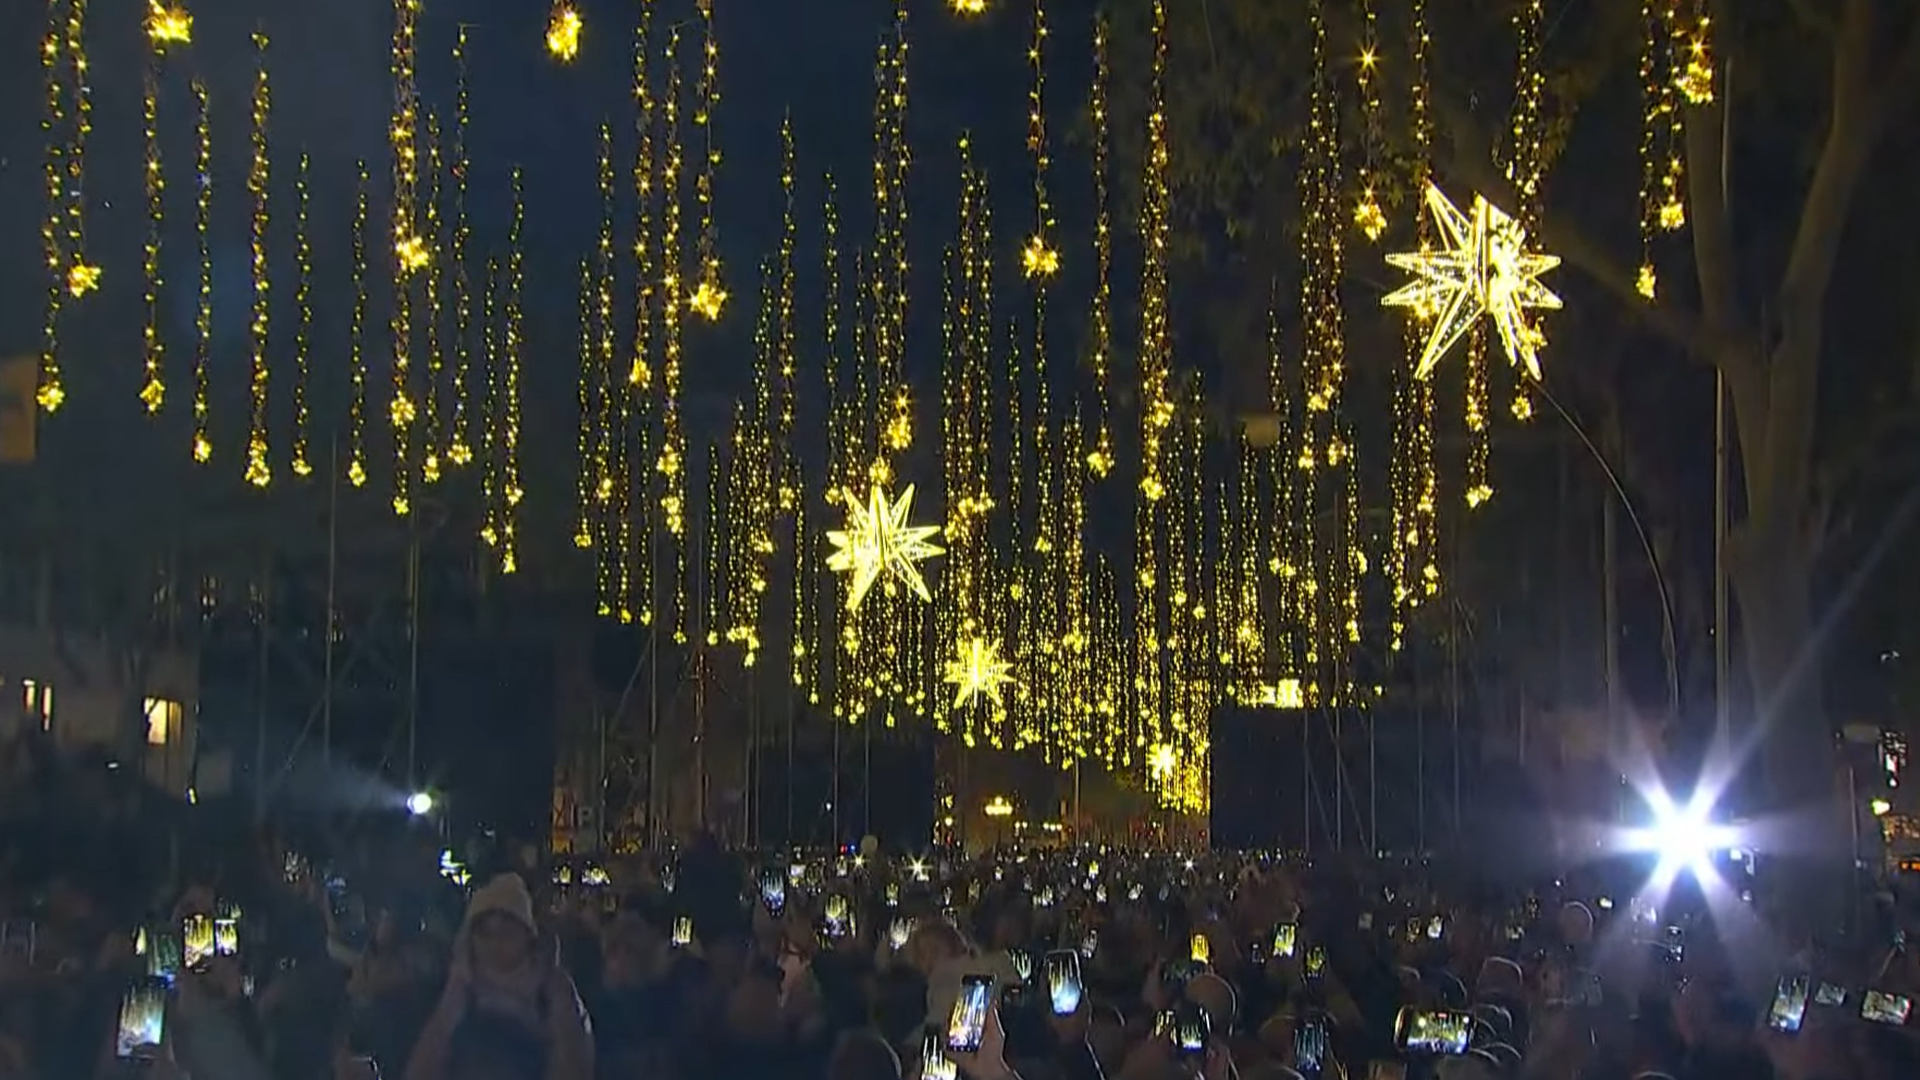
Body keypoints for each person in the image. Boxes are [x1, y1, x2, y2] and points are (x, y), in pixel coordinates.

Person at [403, 874, 592, 1080]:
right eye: (485, 932)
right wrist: (448, 1009)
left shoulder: (554, 991)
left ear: (527, 935)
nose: (495, 942)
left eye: (506, 930)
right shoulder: (451, 990)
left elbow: (574, 1065)